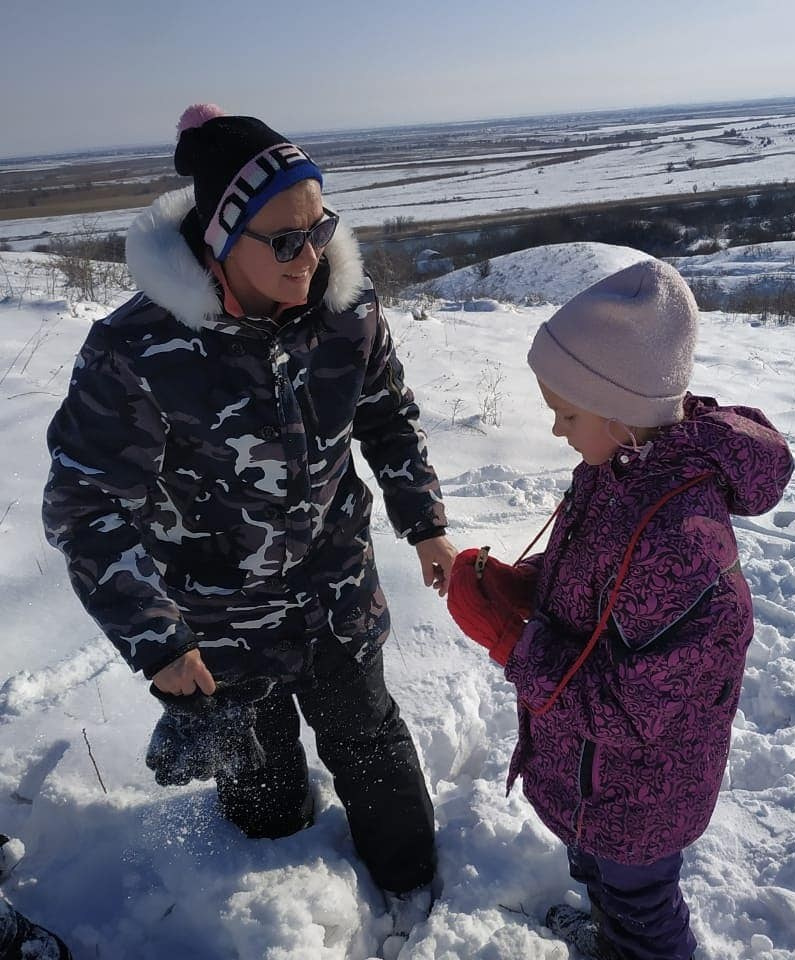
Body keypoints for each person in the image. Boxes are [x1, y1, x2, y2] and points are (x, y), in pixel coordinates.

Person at [42, 104, 456, 930]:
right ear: (222, 239)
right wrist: (156, 638)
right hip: (220, 629)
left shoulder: (347, 314)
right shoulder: (137, 352)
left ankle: (418, 902)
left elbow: (387, 419)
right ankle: (286, 917)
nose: (312, 254)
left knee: (371, 744)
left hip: (338, 595)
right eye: (285, 239)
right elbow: (85, 503)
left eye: (320, 227)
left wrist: (425, 521)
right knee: (263, 792)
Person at [447, 258, 794, 960]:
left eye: (566, 414)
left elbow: (629, 710)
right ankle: (614, 941)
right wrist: (523, 586)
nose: (556, 431)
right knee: (604, 883)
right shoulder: (616, 471)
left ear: (621, 412)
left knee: (642, 906)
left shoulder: (683, 545)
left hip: (640, 797)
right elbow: (595, 575)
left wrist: (514, 646)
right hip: (593, 781)